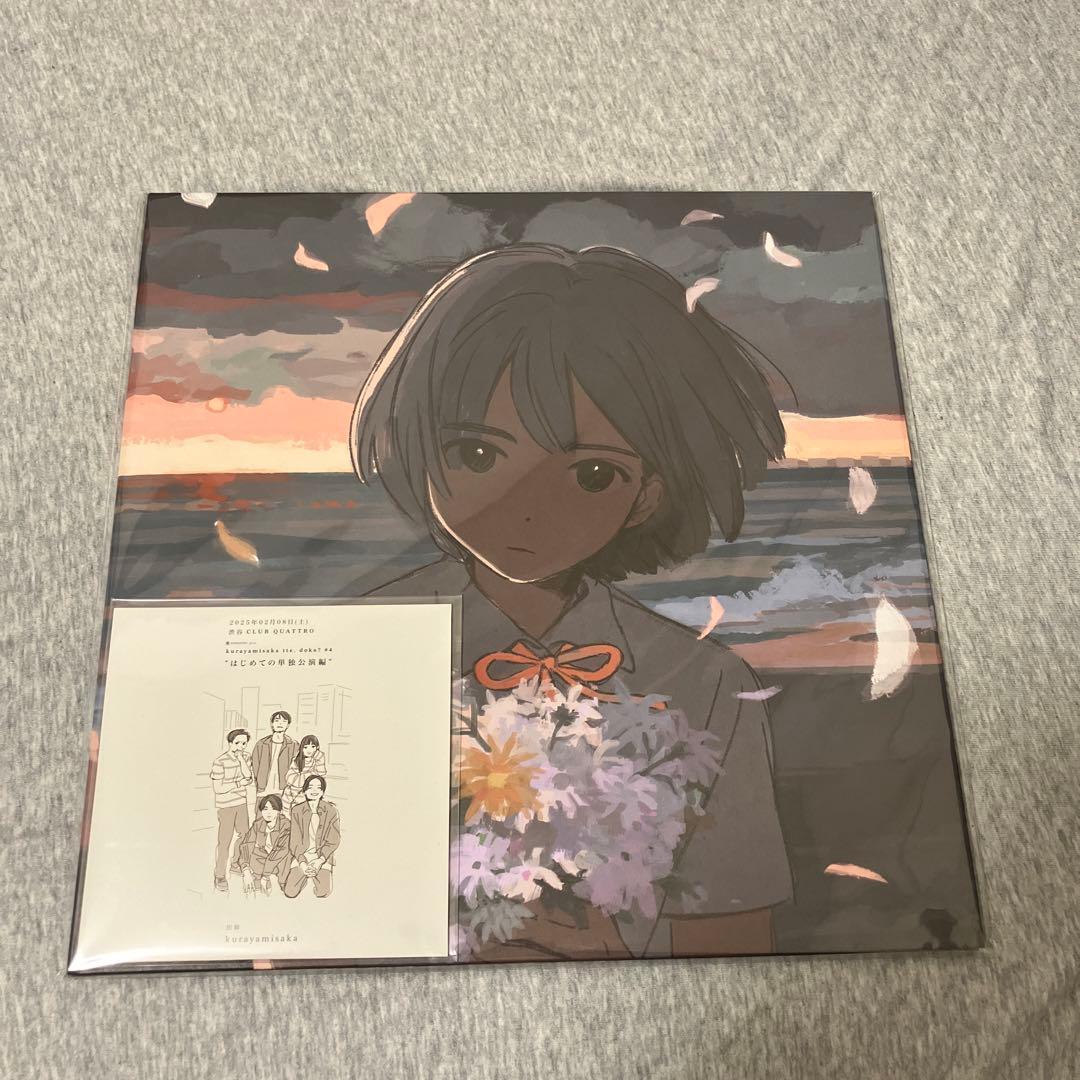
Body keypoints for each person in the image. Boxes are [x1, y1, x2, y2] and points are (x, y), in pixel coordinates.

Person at [351, 242, 793, 960]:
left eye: (591, 475)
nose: (526, 510)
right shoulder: (356, 645)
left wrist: (610, 966)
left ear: (647, 494)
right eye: (477, 456)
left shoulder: (706, 682)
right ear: (419, 447)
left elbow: (733, 941)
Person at [209, 728, 253, 892]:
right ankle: (220, 875)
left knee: (245, 835)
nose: (240, 746)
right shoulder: (220, 761)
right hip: (225, 806)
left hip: (241, 803)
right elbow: (218, 789)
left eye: (244, 743)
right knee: (224, 841)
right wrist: (238, 784)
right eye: (237, 743)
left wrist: (241, 759)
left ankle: (236, 863)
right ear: (230, 743)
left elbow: (249, 777)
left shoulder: (246, 757)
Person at [283, 775, 340, 899]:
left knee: (323, 892)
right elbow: (295, 842)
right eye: (310, 787)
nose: (314, 791)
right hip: (302, 855)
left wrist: (319, 861)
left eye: (318, 788)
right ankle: (304, 877)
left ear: (322, 792)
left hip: (322, 856)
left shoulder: (331, 811)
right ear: (304, 791)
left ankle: (314, 876)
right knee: (290, 892)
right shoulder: (297, 810)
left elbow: (333, 840)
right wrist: (303, 863)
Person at [238, 794, 291, 895]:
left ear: (279, 811)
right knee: (253, 853)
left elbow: (280, 852)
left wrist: (265, 876)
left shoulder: (286, 825)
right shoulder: (258, 824)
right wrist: (245, 869)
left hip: (280, 859)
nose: (268, 812)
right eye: (265, 809)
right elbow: (246, 844)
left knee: (284, 880)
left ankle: (273, 880)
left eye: (273, 809)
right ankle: (259, 878)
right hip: (265, 857)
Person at [250, 710, 298, 803]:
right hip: (263, 788)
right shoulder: (261, 744)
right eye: (277, 720)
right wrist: (259, 782)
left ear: (288, 725)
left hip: (283, 789)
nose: (280, 723)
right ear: (271, 724)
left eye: (284, 721)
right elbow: (255, 766)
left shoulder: (293, 745)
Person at [280, 735, 327, 811]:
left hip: (306, 793)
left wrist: (319, 757)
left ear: (317, 748)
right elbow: (290, 777)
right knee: (286, 810)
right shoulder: (297, 760)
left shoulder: (317, 761)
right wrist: (308, 776)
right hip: (291, 792)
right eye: (305, 747)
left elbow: (321, 776)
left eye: (313, 747)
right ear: (301, 749)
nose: (309, 750)